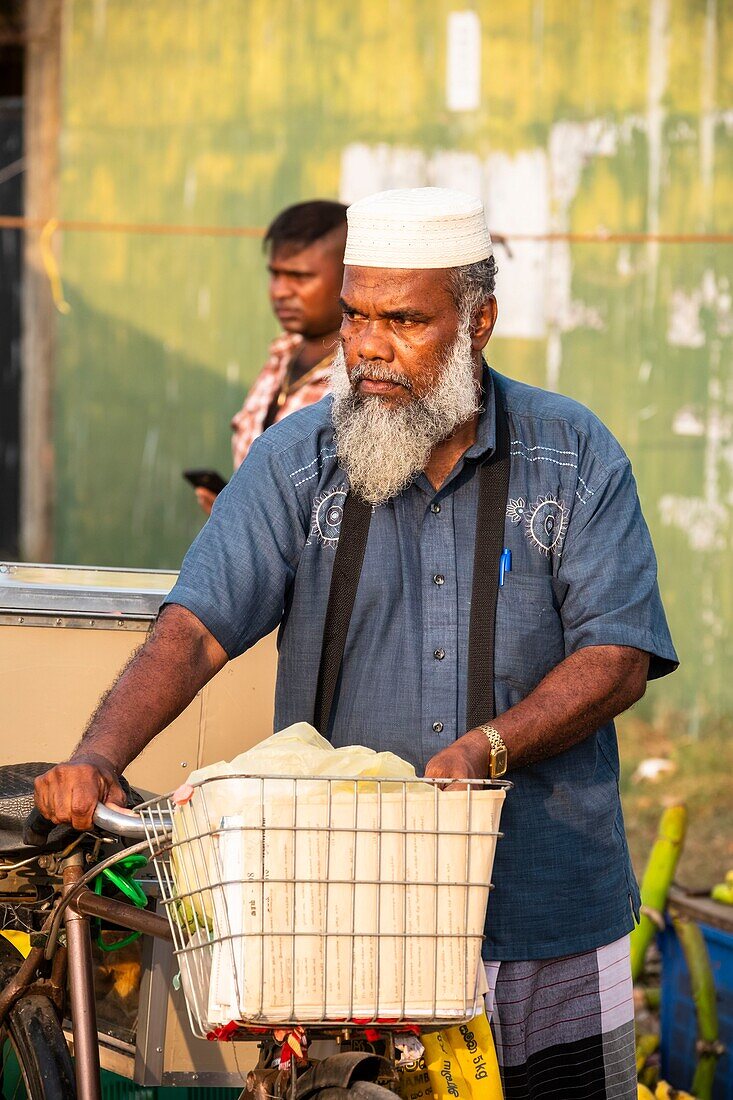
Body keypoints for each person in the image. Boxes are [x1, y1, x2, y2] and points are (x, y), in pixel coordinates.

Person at [35, 187, 677, 1099]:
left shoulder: (574, 456)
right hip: (345, 913)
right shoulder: (298, 460)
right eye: (355, 316)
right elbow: (195, 627)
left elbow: (614, 657)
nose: (368, 347)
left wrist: (488, 747)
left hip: (545, 905)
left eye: (404, 320)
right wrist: (99, 756)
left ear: (478, 321)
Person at [195, 199, 347, 515]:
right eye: (275, 274)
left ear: (351, 276)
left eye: (299, 277)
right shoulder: (283, 354)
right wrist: (236, 513)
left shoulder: (361, 377)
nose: (279, 291)